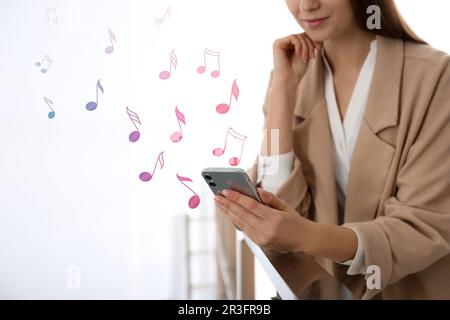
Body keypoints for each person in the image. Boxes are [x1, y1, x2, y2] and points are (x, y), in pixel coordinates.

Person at [214, 0, 450, 299]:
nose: (307, 5)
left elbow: (423, 226)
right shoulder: (288, 77)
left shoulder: (433, 76)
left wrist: (303, 236)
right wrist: (284, 89)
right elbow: (281, 203)